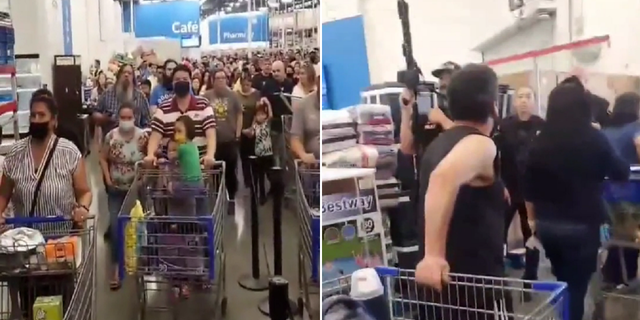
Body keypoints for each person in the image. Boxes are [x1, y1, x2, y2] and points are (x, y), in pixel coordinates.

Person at [523, 83, 629, 320]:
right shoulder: (594, 137)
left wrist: (532, 222)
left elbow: (528, 187)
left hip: (548, 225)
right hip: (582, 226)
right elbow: (620, 172)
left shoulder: (539, 140)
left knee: (563, 281)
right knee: (577, 288)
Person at [414, 64, 509, 320]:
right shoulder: (481, 144)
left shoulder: (438, 144)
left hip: (441, 292)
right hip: (474, 291)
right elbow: (443, 178)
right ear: (493, 107)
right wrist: (433, 256)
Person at [0, 95, 91, 320]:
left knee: (62, 304)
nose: (36, 119)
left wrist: (82, 208)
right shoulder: (15, 154)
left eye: (42, 115)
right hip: (25, 249)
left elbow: (84, 191)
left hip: (59, 248)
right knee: (31, 307)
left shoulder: (68, 152)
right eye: (33, 115)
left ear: (54, 121)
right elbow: (3, 194)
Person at [494, 86, 544, 283]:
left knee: (530, 233)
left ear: (533, 101)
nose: (524, 100)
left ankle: (530, 276)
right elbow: (494, 156)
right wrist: (498, 183)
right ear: (515, 102)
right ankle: (498, 269)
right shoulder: (505, 126)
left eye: (528, 96)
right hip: (508, 187)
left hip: (531, 191)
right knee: (498, 231)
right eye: (520, 97)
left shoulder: (542, 125)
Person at [99, 101, 148, 290]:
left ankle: (140, 262)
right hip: (116, 189)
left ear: (135, 118)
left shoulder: (143, 136)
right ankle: (116, 268)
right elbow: (103, 157)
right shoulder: (111, 136)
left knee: (138, 226)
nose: (126, 121)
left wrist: (143, 178)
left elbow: (147, 160)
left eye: (129, 118)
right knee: (116, 227)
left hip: (137, 189)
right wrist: (107, 177)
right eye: (123, 118)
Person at [600, 92, 640, 288]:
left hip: (607, 199)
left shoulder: (606, 130)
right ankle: (626, 278)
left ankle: (614, 275)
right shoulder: (636, 128)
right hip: (632, 197)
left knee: (621, 235)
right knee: (630, 234)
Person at [146, 64, 217, 168]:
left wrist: (210, 155)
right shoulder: (163, 107)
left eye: (184, 79)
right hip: (171, 168)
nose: (181, 81)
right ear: (173, 83)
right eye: (177, 79)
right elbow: (155, 135)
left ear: (190, 81)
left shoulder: (203, 104)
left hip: (199, 167)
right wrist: (150, 154)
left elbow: (211, 134)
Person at [202, 69, 242, 209]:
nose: (220, 80)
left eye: (223, 78)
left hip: (229, 140)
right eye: (217, 78)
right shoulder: (206, 96)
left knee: (231, 172)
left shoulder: (233, 96)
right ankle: (219, 198)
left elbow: (239, 115)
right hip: (214, 143)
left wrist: (237, 134)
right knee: (215, 173)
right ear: (212, 80)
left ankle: (231, 198)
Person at [93, 64, 151, 135]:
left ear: (133, 78)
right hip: (111, 139)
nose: (126, 75)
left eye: (129, 73)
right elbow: (95, 114)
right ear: (119, 76)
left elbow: (147, 122)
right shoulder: (107, 94)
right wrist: (104, 118)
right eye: (124, 72)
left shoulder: (140, 97)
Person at [260, 61, 294, 168]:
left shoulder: (290, 84)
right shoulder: (268, 85)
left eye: (278, 71)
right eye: (273, 71)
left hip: (290, 124)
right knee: (276, 151)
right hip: (274, 124)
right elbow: (261, 103)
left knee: (290, 151)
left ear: (284, 71)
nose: (275, 73)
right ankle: (278, 173)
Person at [235, 71, 261, 189]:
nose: (246, 87)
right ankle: (247, 181)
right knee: (244, 157)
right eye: (244, 85)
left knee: (255, 156)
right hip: (241, 129)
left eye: (248, 85)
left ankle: (256, 178)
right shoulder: (235, 95)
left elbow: (259, 112)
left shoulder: (256, 94)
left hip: (254, 128)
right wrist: (241, 130)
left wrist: (253, 127)